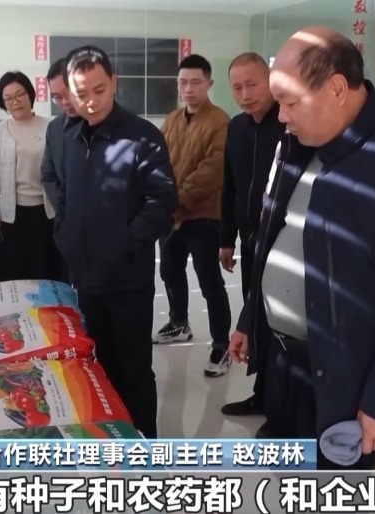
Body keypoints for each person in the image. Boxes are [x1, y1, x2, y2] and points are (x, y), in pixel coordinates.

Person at [228, 27, 375, 468]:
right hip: (283, 358)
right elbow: (276, 236)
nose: (281, 116)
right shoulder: (298, 142)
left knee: (333, 487)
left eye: (290, 102)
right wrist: (251, 318)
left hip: (347, 374)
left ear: (337, 88)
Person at [46, 45, 178, 438]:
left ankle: (146, 447)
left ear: (114, 82)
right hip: (87, 278)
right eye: (81, 93)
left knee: (134, 367)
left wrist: (125, 245)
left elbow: (162, 202)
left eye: (99, 90)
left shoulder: (142, 136)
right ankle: (115, 443)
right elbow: (65, 192)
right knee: (100, 366)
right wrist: (65, 233)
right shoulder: (72, 137)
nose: (91, 101)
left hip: (128, 280)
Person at [217, 52, 287, 436]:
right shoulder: (237, 128)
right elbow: (230, 186)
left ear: (271, 79)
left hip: (284, 244)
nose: (245, 95)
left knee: (279, 324)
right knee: (254, 319)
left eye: (252, 84)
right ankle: (262, 393)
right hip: (250, 241)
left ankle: (279, 403)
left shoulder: (289, 125)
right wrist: (226, 238)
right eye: (237, 87)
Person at [152, 54, 233, 378]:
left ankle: (222, 344)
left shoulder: (221, 122)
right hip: (172, 214)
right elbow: (158, 160)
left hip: (203, 215)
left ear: (209, 84)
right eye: (183, 82)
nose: (188, 88)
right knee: (169, 270)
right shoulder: (172, 119)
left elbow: (211, 171)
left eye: (195, 82)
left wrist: (178, 201)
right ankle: (179, 322)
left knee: (209, 281)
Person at [0, 70, 62, 283]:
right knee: (10, 274)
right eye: (8, 98)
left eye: (20, 95)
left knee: (46, 273)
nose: (15, 102)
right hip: (11, 216)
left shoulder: (52, 127)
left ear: (30, 94)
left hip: (46, 214)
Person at [41, 57, 81, 282]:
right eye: (57, 97)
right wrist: (66, 209)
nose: (65, 102)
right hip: (67, 225)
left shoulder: (98, 124)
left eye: (69, 94)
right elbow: (48, 174)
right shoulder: (55, 128)